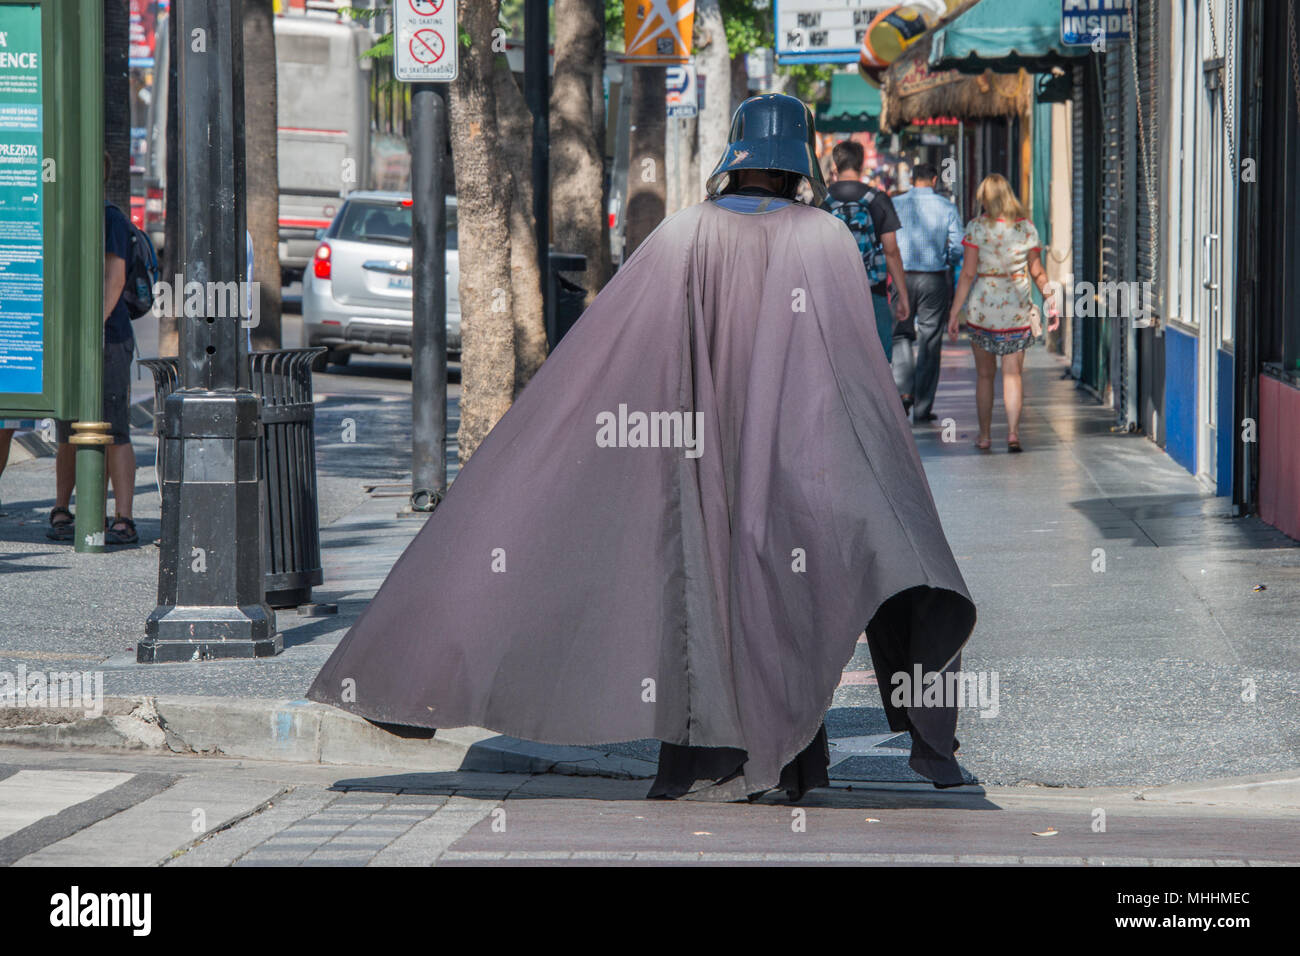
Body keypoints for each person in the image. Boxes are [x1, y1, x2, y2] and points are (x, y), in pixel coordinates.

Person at [308, 94, 976, 801]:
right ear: (797, 167)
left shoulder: (685, 233)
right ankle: (816, 758)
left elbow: (619, 340)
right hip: (798, 458)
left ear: (735, 158)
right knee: (797, 595)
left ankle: (714, 759)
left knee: (710, 598)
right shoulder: (827, 238)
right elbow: (855, 366)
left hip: (698, 458)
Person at [48, 154, 138, 544]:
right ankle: (62, 508)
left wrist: (91, 327)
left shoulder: (111, 219)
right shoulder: (65, 215)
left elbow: (114, 280)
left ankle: (123, 517)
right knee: (68, 428)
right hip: (72, 339)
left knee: (115, 427)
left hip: (109, 338)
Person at [947, 174, 1060, 452]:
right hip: (1016, 310)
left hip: (982, 312)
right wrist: (1050, 301)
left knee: (985, 376)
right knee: (1013, 375)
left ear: (984, 199)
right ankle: (1012, 433)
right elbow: (1038, 272)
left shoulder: (976, 228)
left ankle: (985, 436)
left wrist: (953, 312)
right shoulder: (1026, 229)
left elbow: (968, 274)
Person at [821, 140, 909, 363]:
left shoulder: (821, 200)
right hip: (873, 290)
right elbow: (891, 250)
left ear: (835, 167)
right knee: (878, 359)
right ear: (861, 166)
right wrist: (902, 296)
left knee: (836, 360)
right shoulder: (877, 199)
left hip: (832, 292)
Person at [891, 162, 963, 422]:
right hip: (934, 279)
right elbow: (957, 246)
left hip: (902, 277)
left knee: (901, 334)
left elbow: (885, 242)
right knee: (930, 341)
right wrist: (948, 258)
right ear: (934, 180)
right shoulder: (946, 206)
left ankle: (904, 391)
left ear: (912, 179)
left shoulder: (896, 204)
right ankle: (922, 408)